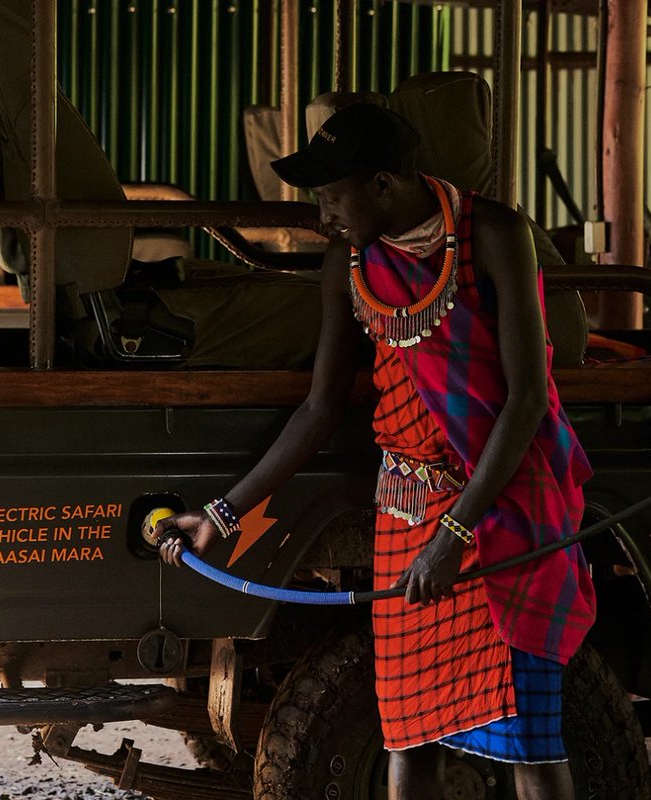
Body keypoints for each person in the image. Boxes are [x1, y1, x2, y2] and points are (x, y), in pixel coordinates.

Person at [156, 103, 597, 799]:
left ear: (385, 184)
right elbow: (319, 410)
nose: (323, 216)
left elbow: (527, 400)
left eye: (333, 198)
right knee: (408, 734)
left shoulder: (494, 234)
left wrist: (456, 534)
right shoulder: (350, 263)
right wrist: (224, 512)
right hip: (408, 514)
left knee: (529, 741)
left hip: (501, 508)